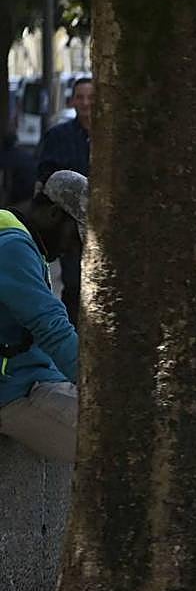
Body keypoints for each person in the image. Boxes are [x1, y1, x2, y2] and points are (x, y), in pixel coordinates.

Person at [0, 171, 88, 463]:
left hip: (30, 378)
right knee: (110, 441)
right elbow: (51, 327)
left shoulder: (20, 237)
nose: (73, 250)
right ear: (53, 213)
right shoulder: (12, 248)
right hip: (14, 390)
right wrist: (97, 388)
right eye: (74, 237)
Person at [36, 76, 94, 325]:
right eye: (80, 97)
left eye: (91, 97)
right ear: (72, 101)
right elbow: (45, 177)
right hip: (69, 226)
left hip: (105, 227)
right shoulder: (59, 136)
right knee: (73, 284)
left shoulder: (116, 136)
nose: (85, 103)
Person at [0, 128, 36, 208]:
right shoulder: (26, 155)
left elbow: (6, 184)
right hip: (29, 196)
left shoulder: (4, 156)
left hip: (16, 199)